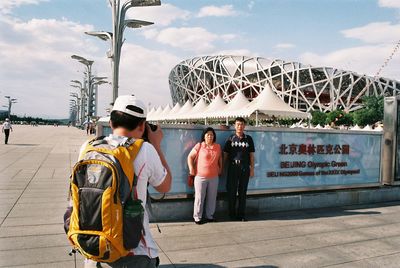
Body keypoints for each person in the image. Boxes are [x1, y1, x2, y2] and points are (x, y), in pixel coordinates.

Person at [79, 95, 172, 268]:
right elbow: (165, 186)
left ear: (112, 123)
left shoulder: (88, 147)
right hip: (134, 252)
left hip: (93, 246)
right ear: (142, 125)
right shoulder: (145, 150)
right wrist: (156, 144)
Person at [187, 127, 222, 224]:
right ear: (204, 136)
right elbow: (190, 157)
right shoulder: (199, 146)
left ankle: (210, 216)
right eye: (208, 135)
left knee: (212, 197)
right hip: (200, 177)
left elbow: (220, 159)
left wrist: (221, 168)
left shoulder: (218, 147)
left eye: (211, 134)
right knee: (199, 198)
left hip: (214, 177)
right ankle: (197, 217)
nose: (210, 136)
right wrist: (191, 169)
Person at [223, 117, 255, 221]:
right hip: (232, 167)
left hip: (244, 167)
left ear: (244, 126)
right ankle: (232, 214)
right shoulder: (230, 138)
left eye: (241, 124)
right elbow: (225, 155)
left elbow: (251, 156)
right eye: (237, 124)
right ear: (234, 126)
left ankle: (241, 215)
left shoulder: (248, 139)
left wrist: (252, 168)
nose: (239, 126)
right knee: (231, 191)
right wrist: (223, 168)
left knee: (242, 192)